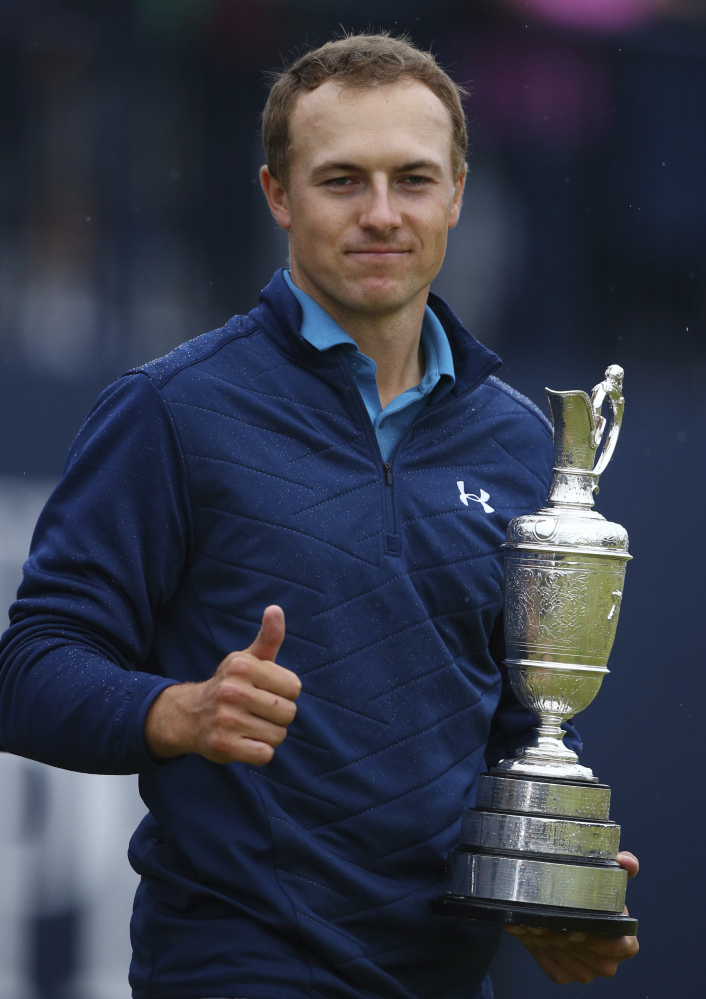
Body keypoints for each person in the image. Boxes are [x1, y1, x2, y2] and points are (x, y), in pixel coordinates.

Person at [0, 33, 638, 999]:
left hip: (444, 978)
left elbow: (522, 724)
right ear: (277, 195)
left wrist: (544, 888)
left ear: (458, 194)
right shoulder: (170, 410)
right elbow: (30, 666)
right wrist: (176, 709)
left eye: (413, 180)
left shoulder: (520, 447)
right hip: (234, 963)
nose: (382, 214)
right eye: (342, 181)